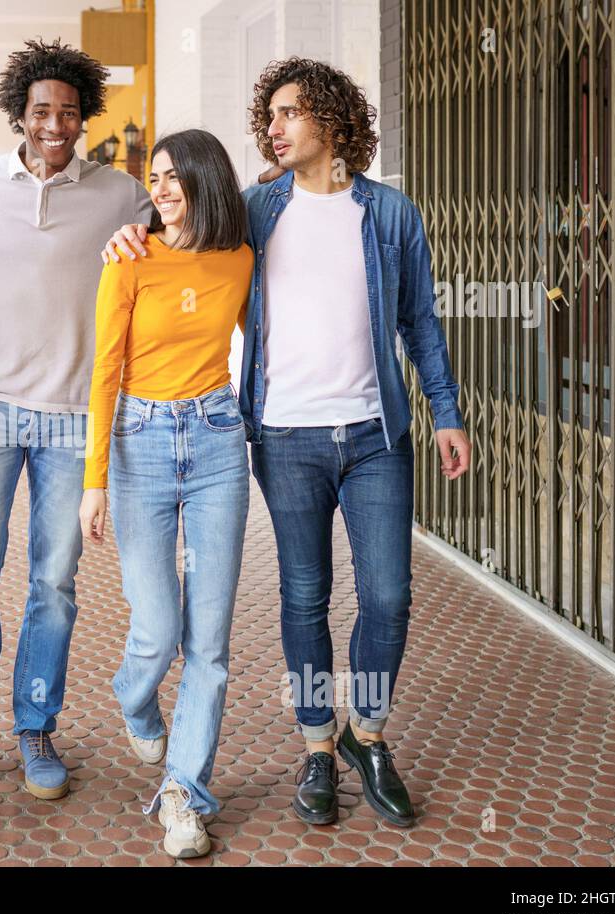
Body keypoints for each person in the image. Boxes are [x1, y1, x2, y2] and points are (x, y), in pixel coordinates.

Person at [103, 57, 471, 828]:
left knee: (389, 596)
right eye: (267, 116)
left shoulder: (390, 214)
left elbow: (421, 323)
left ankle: (366, 736)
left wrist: (445, 409)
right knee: (305, 597)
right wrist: (128, 234)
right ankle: (315, 746)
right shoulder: (254, 210)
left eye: (289, 113)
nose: (272, 128)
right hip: (282, 436)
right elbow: (180, 226)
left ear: (333, 121)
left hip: (375, 434)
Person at [0, 38, 154, 799]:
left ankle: (34, 722)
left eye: (69, 112)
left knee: (55, 579)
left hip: (77, 418)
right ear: (19, 115)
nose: (55, 123)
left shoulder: (120, 193)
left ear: (85, 118)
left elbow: (182, 247)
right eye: (41, 110)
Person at [80, 129, 252, 858]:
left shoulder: (240, 258)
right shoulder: (129, 259)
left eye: (178, 176)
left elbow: (271, 337)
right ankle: (134, 697)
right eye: (155, 177)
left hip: (217, 438)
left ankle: (184, 794)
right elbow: (105, 372)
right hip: (139, 443)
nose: (163, 189)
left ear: (208, 181)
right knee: (158, 628)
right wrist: (93, 481)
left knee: (208, 643)